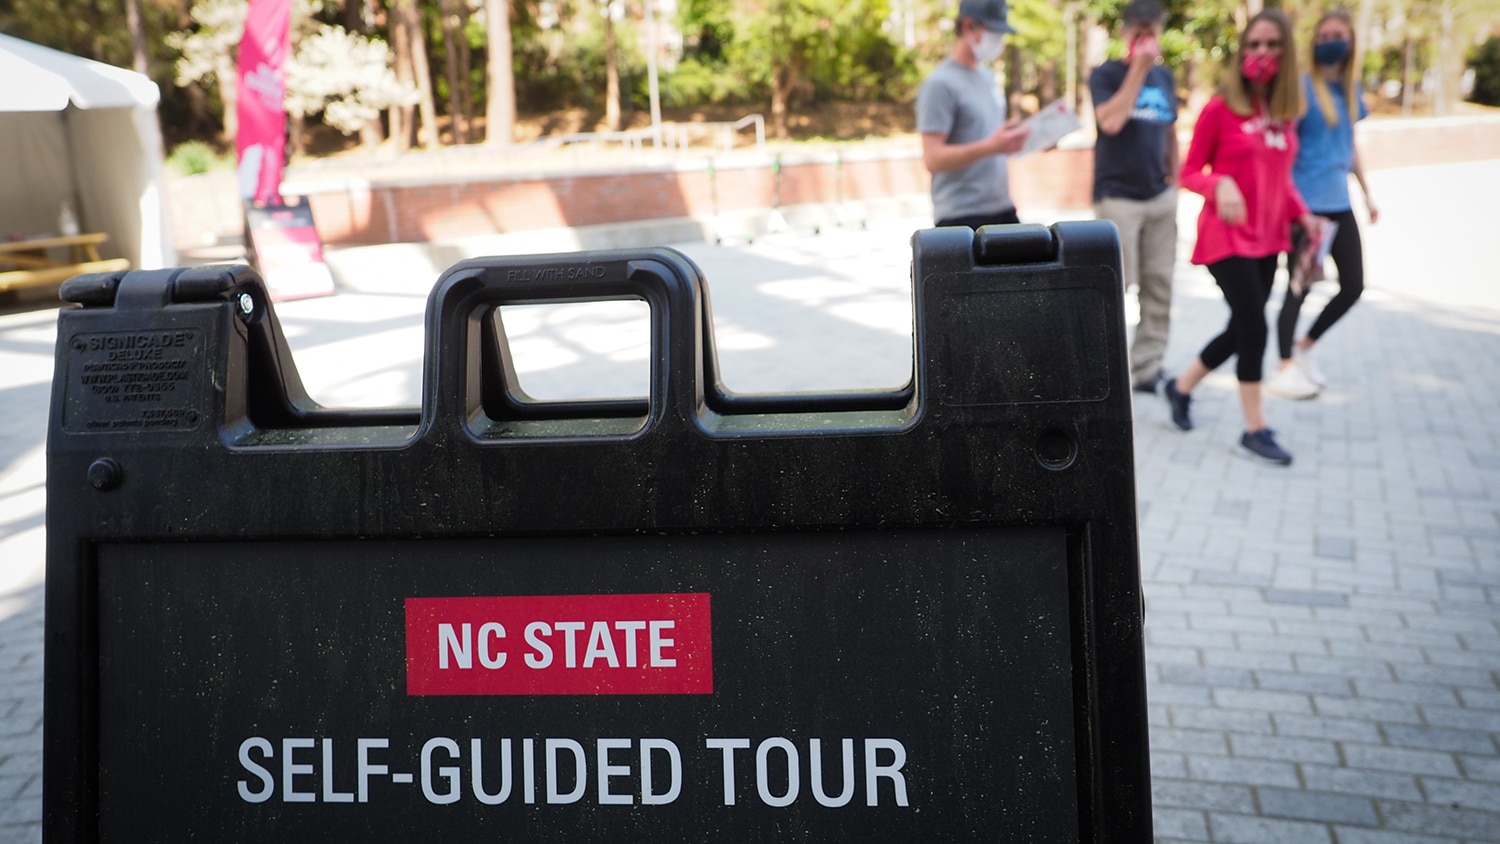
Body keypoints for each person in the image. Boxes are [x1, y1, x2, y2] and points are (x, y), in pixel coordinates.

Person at [1163, 8, 1324, 466]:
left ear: (1286, 52)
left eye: (1272, 45)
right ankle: (1255, 430)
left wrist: (1304, 216)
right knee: (1254, 327)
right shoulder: (1220, 108)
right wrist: (1219, 183)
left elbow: (1281, 179)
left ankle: (1181, 387)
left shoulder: (1285, 113)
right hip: (1226, 238)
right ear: (1242, 51)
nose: (1262, 54)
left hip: (1270, 239)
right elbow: (1187, 172)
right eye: (1254, 45)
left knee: (1240, 328)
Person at [1266, 8, 1377, 400]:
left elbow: (1350, 146)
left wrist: (1366, 193)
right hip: (1307, 208)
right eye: (1325, 34)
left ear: (1350, 42)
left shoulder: (1350, 89)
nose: (1332, 40)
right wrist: (1291, 207)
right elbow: (1285, 150)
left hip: (1339, 203)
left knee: (1353, 286)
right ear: (1315, 41)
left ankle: (1305, 349)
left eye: (1339, 34)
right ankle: (1283, 368)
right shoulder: (1301, 88)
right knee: (1299, 289)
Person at [1089, 0, 1180, 395]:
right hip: (1118, 198)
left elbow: (1170, 129)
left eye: (1152, 33)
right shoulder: (1106, 75)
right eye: (1138, 33)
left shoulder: (1166, 78)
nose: (1145, 41)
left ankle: (1147, 368)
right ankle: (1105, 369)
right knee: (1114, 285)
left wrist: (1174, 177)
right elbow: (1110, 121)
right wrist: (1138, 70)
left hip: (1159, 196)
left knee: (1159, 284)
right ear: (1126, 33)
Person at [916, 0, 1030, 228]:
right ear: (969, 27)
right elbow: (933, 158)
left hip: (1002, 208)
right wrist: (991, 146)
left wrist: (1022, 137)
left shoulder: (987, 77)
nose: (999, 40)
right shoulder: (939, 84)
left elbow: (989, 136)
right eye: (994, 31)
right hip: (961, 216)